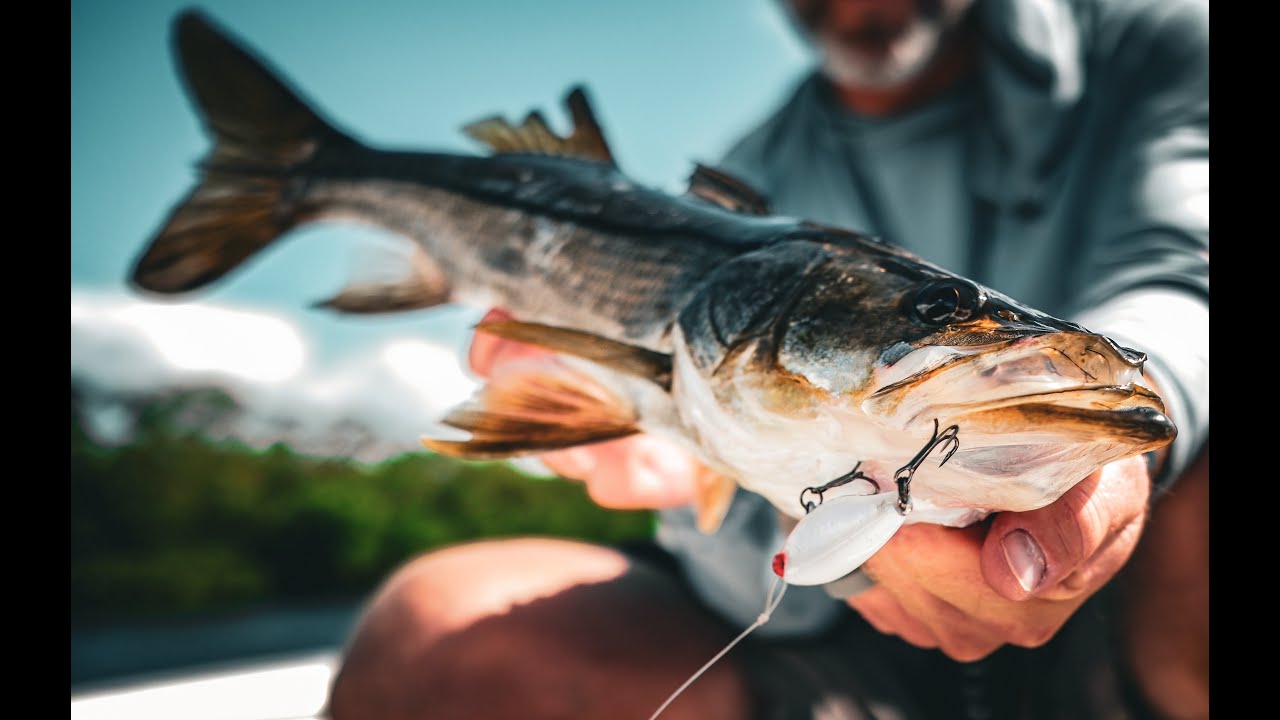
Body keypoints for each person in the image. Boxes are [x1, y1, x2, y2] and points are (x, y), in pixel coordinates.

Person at [327, 0, 1209, 718]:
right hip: (821, 641)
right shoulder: (746, 172)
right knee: (429, 639)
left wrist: (1145, 426)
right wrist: (780, 517)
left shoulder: (1162, 40)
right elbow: (728, 556)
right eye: (937, 313)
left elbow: (1186, 269)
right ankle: (306, 172)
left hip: (1142, 603)